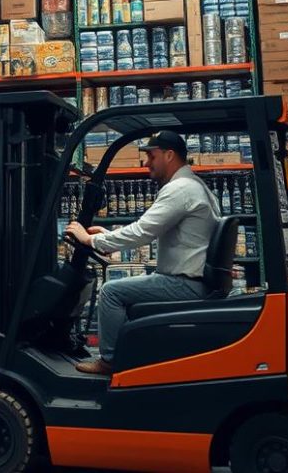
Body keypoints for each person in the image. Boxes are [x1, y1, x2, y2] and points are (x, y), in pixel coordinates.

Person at [63, 131, 220, 375]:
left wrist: (90, 239)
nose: (146, 162)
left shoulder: (180, 189)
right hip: (194, 280)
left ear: (169, 155)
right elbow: (150, 228)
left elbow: (142, 233)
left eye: (151, 155)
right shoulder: (196, 186)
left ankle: (110, 361)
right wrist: (104, 235)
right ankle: (132, 355)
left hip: (185, 284)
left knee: (111, 292)